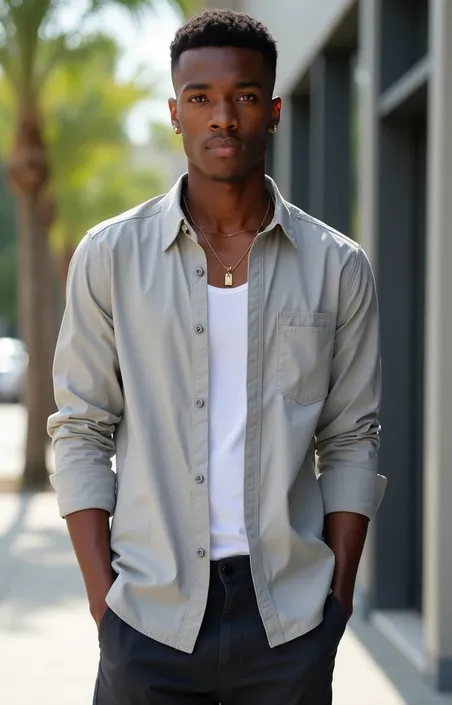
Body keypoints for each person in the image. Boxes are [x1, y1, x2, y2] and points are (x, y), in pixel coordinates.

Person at [47, 8, 386, 705]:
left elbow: (351, 437)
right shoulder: (110, 257)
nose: (222, 117)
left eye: (244, 96)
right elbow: (81, 429)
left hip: (287, 623)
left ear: (275, 110)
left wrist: (336, 603)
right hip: (148, 619)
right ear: (175, 112)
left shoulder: (337, 267)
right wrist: (104, 607)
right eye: (200, 98)